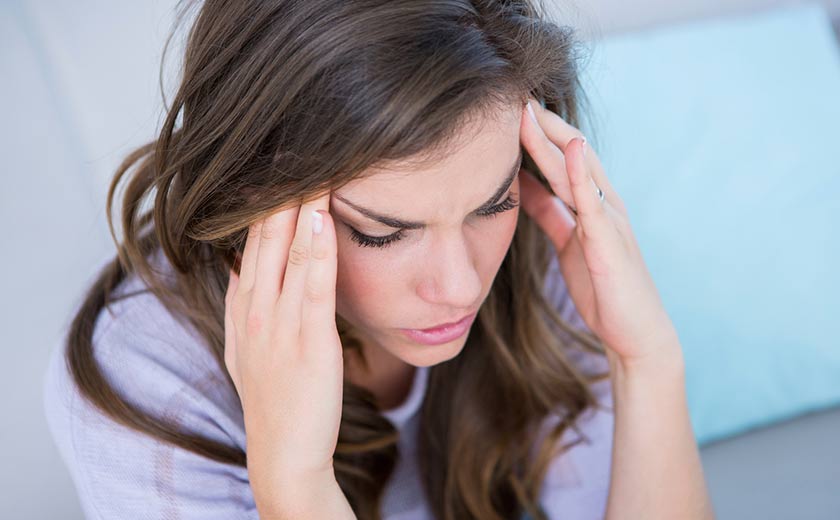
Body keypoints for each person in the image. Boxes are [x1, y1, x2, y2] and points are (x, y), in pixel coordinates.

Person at [43, 1, 714, 519]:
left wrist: (647, 361)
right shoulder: (146, 385)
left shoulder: (542, 251)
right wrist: (295, 486)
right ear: (252, 194)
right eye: (382, 232)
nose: (460, 287)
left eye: (490, 205)